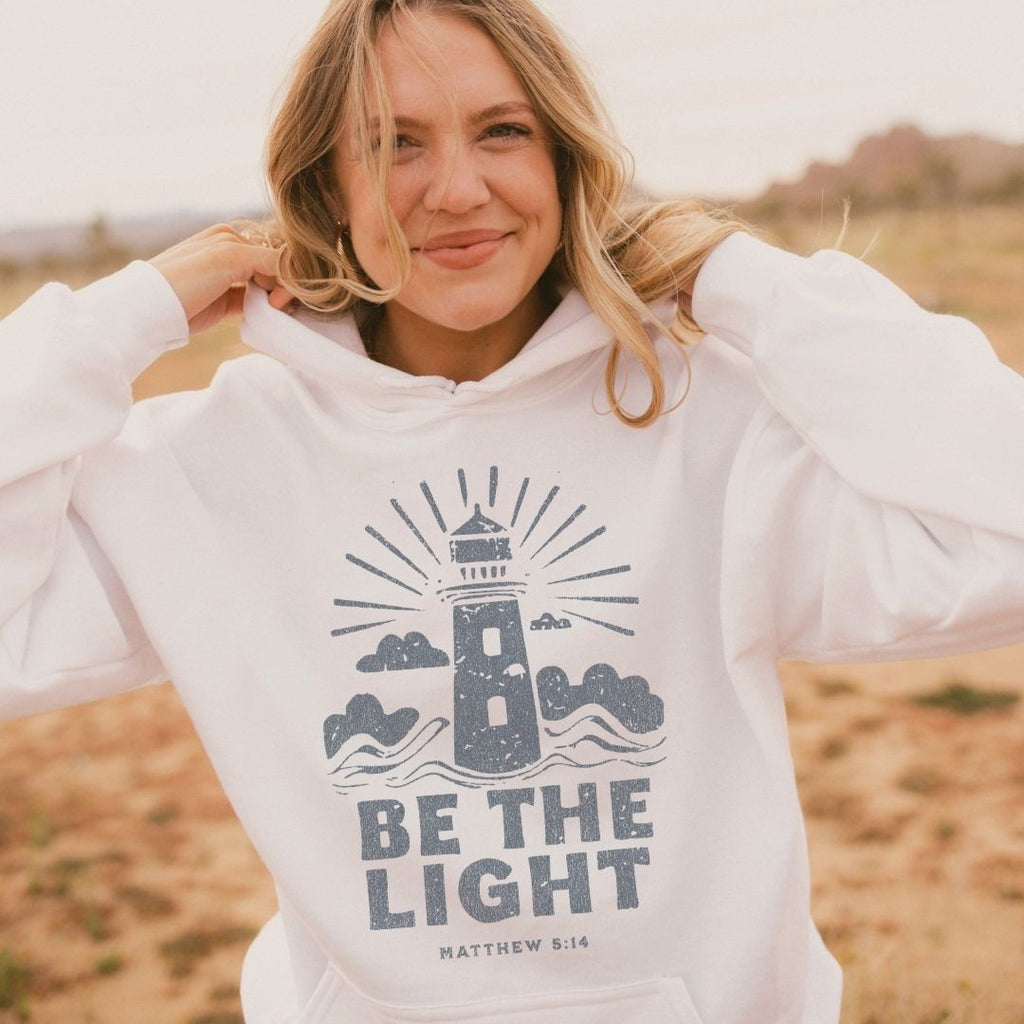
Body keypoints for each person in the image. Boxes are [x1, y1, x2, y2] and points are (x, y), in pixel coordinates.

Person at [2, 0, 1022, 1021]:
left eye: (502, 130)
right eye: (393, 143)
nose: (456, 189)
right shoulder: (216, 463)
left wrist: (735, 276)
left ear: (565, 159)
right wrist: (121, 317)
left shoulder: (705, 423)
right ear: (326, 184)